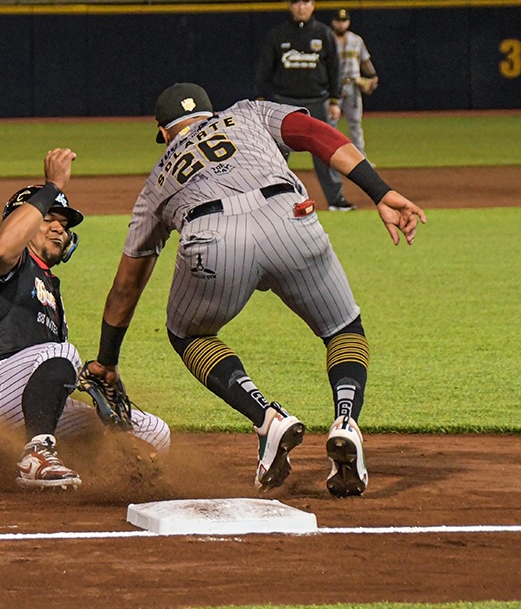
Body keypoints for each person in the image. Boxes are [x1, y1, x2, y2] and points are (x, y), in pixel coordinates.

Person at [85, 83, 425, 497]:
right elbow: (316, 134)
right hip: (290, 218)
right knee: (342, 328)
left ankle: (267, 418)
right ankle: (346, 421)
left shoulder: (157, 181)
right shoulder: (248, 112)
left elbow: (127, 284)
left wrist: (106, 359)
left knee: (188, 334)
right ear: (210, 113)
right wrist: (380, 191)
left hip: (211, 238)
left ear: (164, 132)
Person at [0, 148, 170, 490]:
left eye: (64, 224)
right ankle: (36, 455)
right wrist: (53, 185)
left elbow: (50, 376)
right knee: (61, 353)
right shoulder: (6, 265)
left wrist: (102, 395)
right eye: (49, 219)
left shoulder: (52, 290)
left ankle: (34, 458)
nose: (59, 228)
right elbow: (1, 249)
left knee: (152, 431)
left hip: (20, 400)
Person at [254, 0, 355, 212]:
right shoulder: (278, 34)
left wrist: (334, 100)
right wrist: (260, 96)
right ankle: (268, 202)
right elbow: (264, 68)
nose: (301, 7)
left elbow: (334, 70)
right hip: (283, 103)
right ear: (291, 6)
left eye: (306, 2)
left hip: (316, 102)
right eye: (297, 3)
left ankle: (336, 199)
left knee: (325, 153)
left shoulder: (323, 33)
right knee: (276, 156)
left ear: (313, 5)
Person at [331, 8, 379, 162]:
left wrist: (372, 76)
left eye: (344, 21)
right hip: (333, 88)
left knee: (355, 124)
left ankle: (361, 160)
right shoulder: (327, 39)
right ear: (333, 22)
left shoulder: (356, 40)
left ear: (348, 22)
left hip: (353, 86)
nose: (341, 24)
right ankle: (331, 160)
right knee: (330, 126)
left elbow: (364, 60)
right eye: (338, 20)